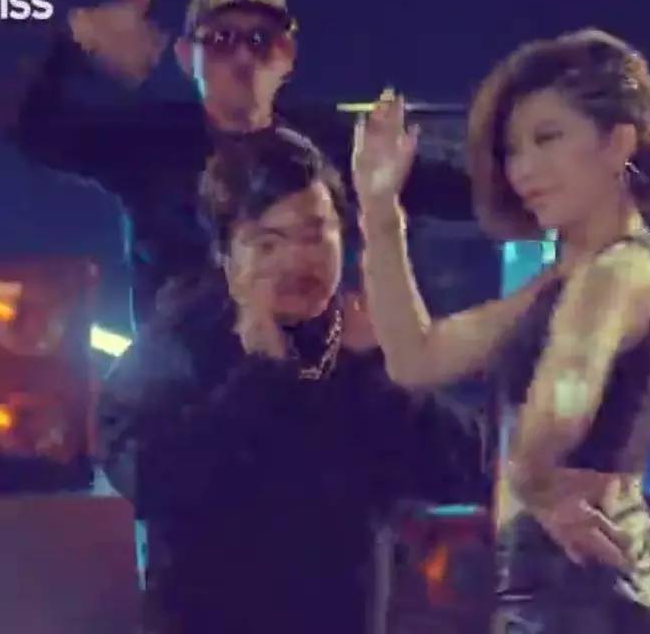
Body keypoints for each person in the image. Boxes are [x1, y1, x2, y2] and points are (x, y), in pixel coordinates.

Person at [352, 30, 650, 632]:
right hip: (566, 594)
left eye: (548, 138)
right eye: (513, 150)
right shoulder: (559, 285)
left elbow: (565, 396)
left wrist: (533, 478)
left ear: (618, 142)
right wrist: (381, 213)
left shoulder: (617, 273)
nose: (523, 170)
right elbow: (416, 357)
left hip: (591, 600)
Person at [94, 126, 485, 633]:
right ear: (226, 256)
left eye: (314, 234)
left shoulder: (359, 347)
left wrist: (380, 373)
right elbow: (150, 480)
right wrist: (259, 376)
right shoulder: (178, 344)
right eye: (267, 243)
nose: (297, 261)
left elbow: (465, 468)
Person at [2, 0, 471, 330]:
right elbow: (29, 127)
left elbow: (466, 194)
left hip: (310, 385)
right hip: (178, 393)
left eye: (260, 40)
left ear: (287, 56)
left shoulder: (336, 143)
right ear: (186, 57)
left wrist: (509, 139)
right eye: (221, 40)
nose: (244, 56)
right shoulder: (149, 140)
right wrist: (74, 38)